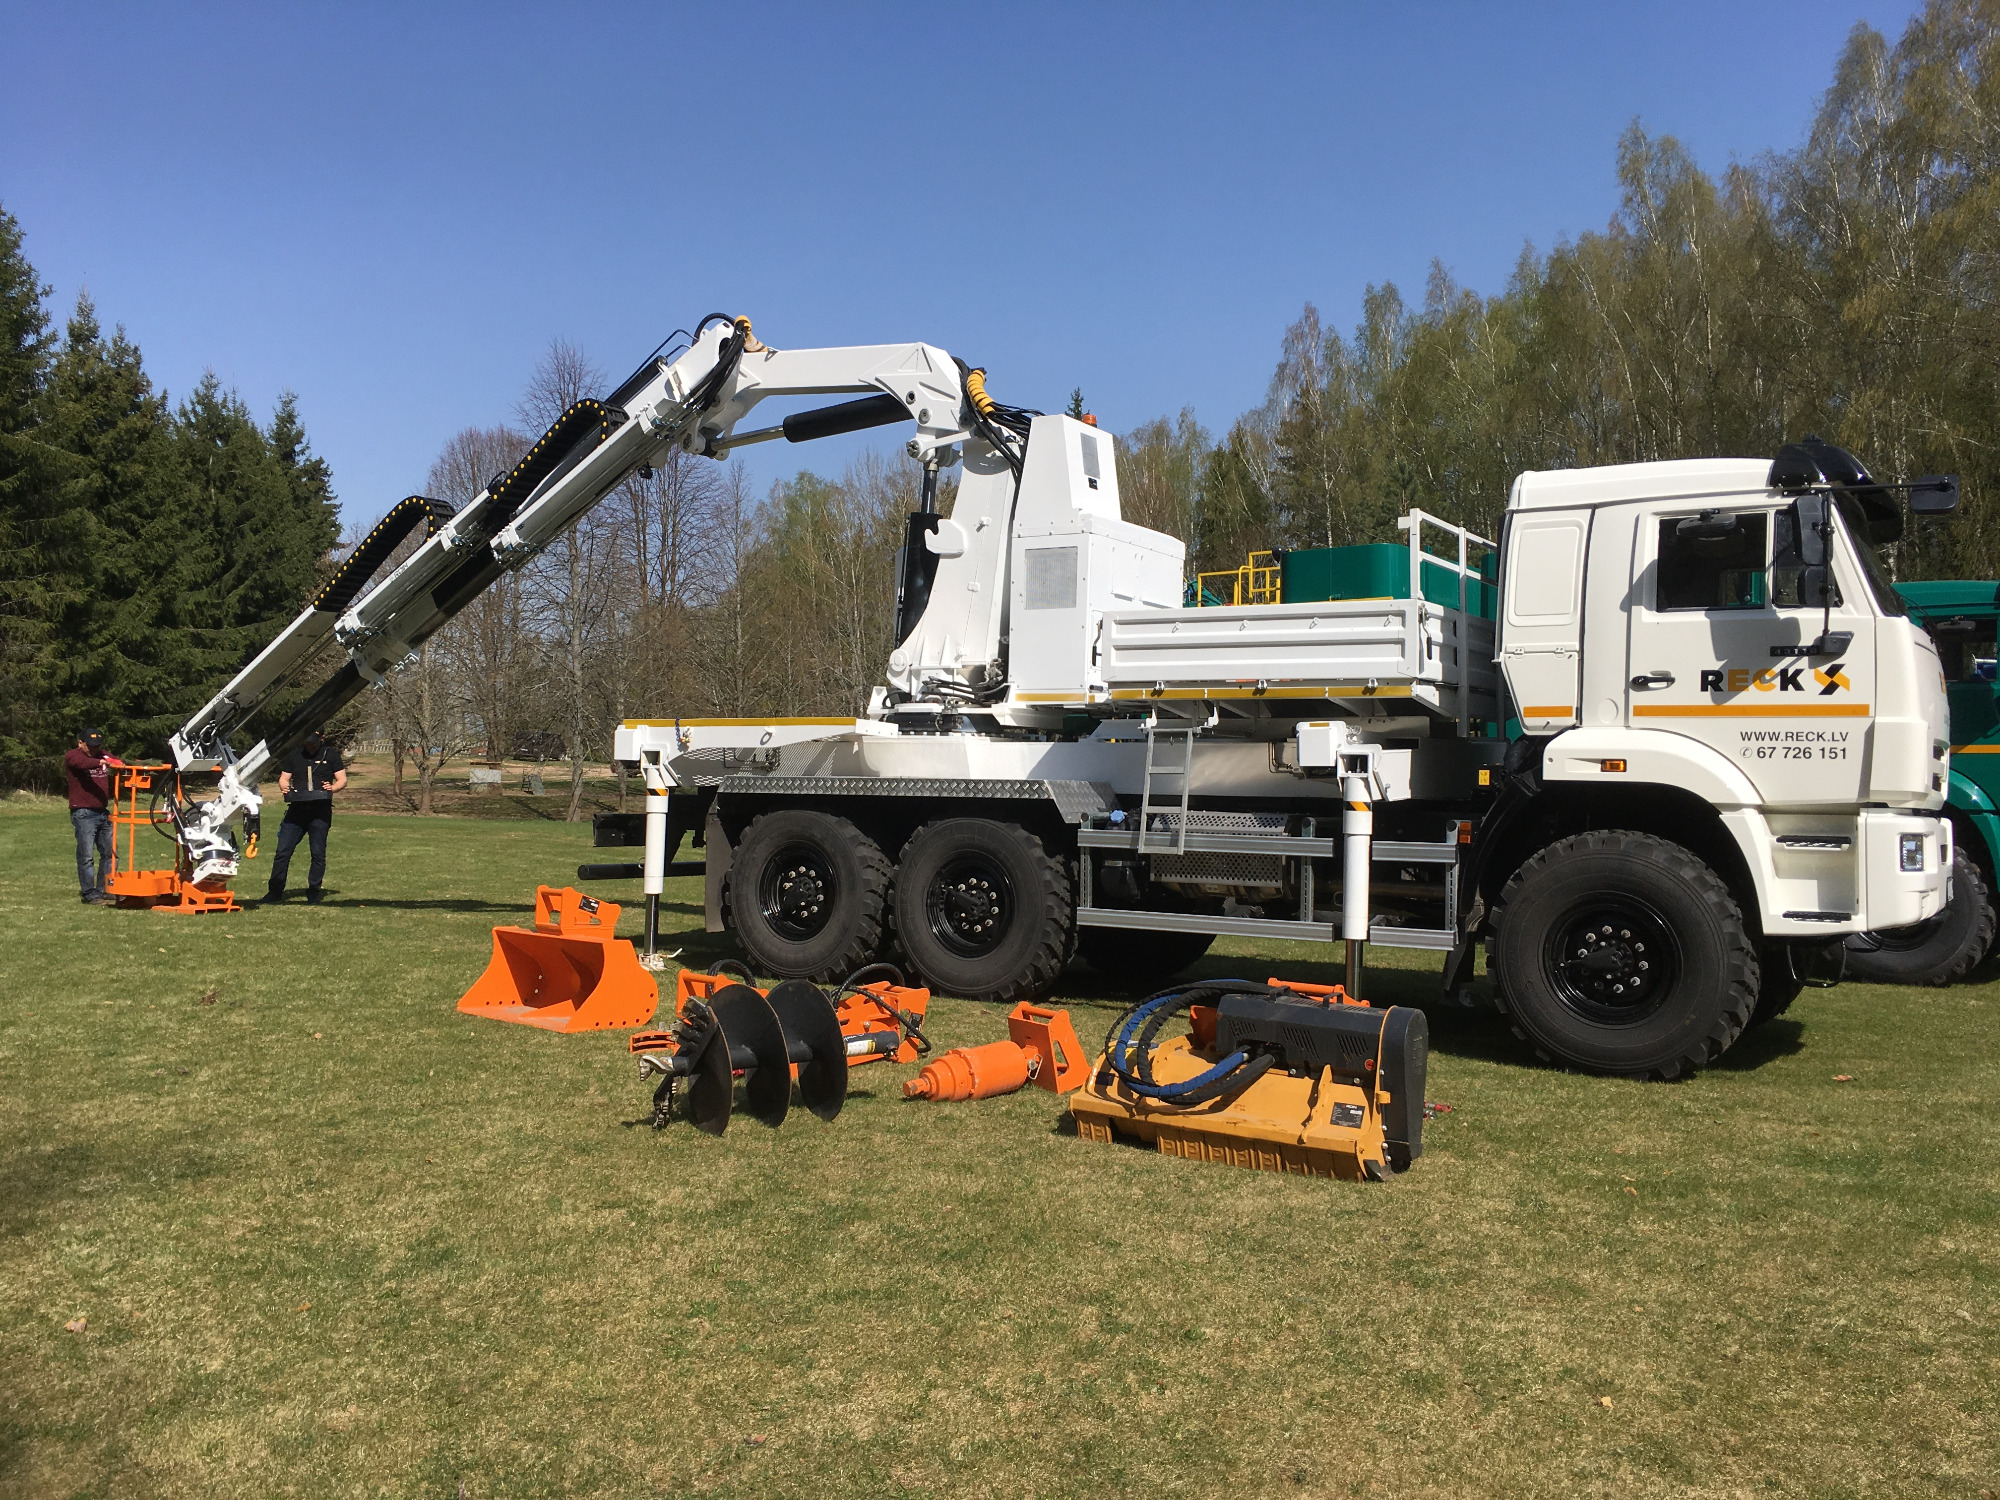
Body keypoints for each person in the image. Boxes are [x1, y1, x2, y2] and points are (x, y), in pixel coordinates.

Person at [265, 731, 346, 904]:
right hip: (297, 810)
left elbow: (342, 780)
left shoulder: (330, 755)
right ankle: (275, 891)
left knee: (317, 853)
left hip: (320, 811)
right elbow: (284, 778)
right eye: (308, 742)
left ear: (322, 739)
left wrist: (332, 788)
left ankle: (314, 890)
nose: (311, 745)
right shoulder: (295, 754)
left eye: (314, 742)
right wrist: (285, 787)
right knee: (282, 851)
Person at [64, 728, 120, 905]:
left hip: (102, 812)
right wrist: (102, 762)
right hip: (83, 812)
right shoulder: (73, 756)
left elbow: (117, 762)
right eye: (90, 746)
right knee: (86, 855)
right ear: (80, 743)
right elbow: (82, 763)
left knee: (110, 854)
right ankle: (89, 893)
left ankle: (105, 890)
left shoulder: (101, 755)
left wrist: (113, 762)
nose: (94, 749)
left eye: (98, 746)